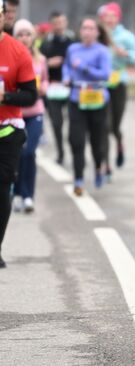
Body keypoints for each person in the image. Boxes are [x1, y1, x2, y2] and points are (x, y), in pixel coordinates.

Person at [0, 5, 38, 268]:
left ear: (3, 17)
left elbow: (30, 96)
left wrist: (5, 97)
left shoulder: (17, 50)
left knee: (2, 191)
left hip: (7, 131)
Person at [62, 16, 111, 196]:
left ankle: (99, 166)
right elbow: (66, 67)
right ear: (80, 31)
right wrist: (66, 77)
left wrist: (83, 67)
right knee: (76, 141)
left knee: (97, 143)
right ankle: (78, 179)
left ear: (97, 32)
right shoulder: (73, 49)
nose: (87, 31)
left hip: (97, 101)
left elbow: (105, 74)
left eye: (91, 28)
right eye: (84, 28)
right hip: (77, 100)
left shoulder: (103, 51)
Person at [98, 2, 135, 177]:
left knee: (113, 127)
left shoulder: (125, 36)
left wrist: (126, 55)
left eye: (112, 16)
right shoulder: (98, 35)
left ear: (117, 18)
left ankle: (119, 140)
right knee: (103, 126)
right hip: (99, 86)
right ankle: (105, 165)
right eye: (106, 17)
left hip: (119, 83)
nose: (109, 20)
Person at [12, 19, 48, 213]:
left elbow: (45, 82)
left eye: (27, 34)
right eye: (20, 34)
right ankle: (17, 192)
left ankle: (28, 196)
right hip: (15, 112)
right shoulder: (11, 57)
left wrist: (41, 88)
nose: (24, 38)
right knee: (16, 154)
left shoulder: (40, 59)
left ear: (33, 37)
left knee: (29, 152)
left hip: (35, 112)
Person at [40, 11, 73, 165]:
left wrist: (66, 61)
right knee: (56, 123)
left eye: (62, 22)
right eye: (56, 23)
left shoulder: (72, 42)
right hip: (53, 87)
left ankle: (75, 149)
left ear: (66, 23)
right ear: (51, 25)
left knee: (74, 122)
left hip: (70, 86)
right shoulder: (46, 43)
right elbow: (38, 62)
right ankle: (60, 152)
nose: (59, 26)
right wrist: (48, 63)